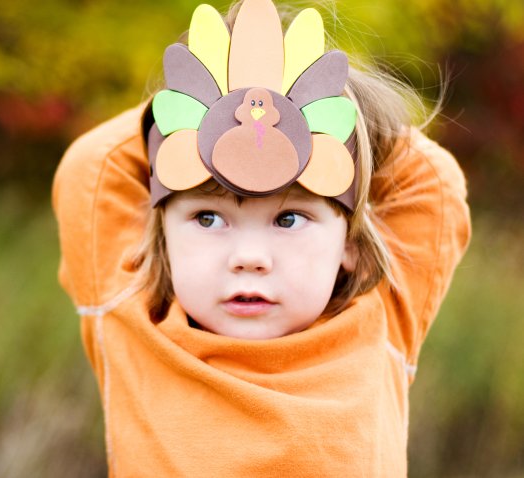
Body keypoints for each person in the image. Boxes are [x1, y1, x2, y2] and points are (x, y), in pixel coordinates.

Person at [52, 0, 471, 475]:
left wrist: (322, 106)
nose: (249, 258)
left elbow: (433, 179)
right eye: (209, 218)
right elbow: (92, 165)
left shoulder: (383, 322)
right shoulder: (128, 312)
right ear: (164, 236)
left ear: (350, 244)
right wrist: (198, 100)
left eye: (288, 219)